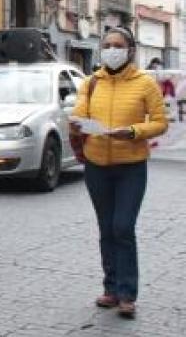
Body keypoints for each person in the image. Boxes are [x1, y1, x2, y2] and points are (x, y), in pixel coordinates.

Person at [71, 27, 167, 319]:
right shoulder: (90, 83)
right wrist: (76, 123)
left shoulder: (145, 83)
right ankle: (111, 289)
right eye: (107, 45)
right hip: (96, 165)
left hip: (131, 167)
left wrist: (135, 131)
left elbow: (161, 122)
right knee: (106, 229)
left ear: (130, 51)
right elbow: (79, 113)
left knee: (122, 227)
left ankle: (127, 293)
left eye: (118, 45)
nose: (112, 50)